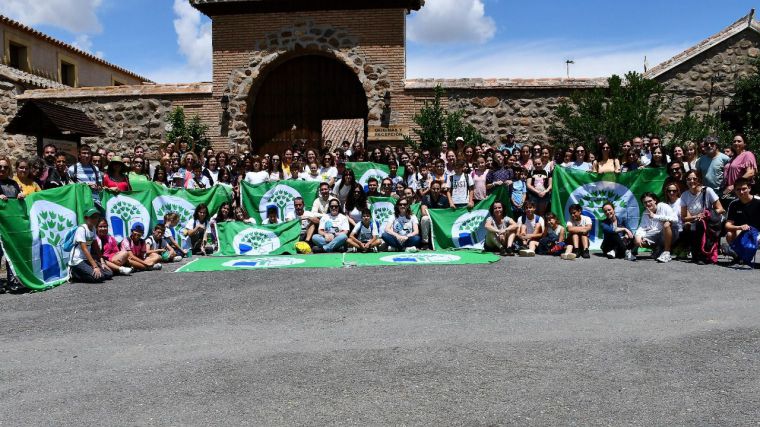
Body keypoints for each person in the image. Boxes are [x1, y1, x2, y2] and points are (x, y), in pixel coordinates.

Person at [680, 170, 724, 265]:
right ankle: (696, 252)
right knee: (692, 225)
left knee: (700, 224)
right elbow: (683, 217)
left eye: (694, 178)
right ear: (686, 181)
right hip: (695, 220)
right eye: (689, 179)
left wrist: (706, 214)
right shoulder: (684, 195)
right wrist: (696, 216)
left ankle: (703, 254)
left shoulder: (708, 191)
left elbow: (721, 209)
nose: (692, 181)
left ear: (699, 180)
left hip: (710, 221)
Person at [69, 207, 114, 283]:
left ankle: (84, 272)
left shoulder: (93, 228)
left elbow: (96, 247)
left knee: (109, 273)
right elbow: (84, 249)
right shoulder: (82, 229)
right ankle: (74, 273)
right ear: (86, 218)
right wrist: (95, 266)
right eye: (92, 217)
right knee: (99, 277)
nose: (95, 219)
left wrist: (102, 262)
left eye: (97, 217)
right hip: (77, 260)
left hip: (86, 259)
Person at [0, 156, 25, 292]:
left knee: (12, 253)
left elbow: (18, 200)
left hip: (11, 225)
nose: (2, 169)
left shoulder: (14, 183)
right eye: (0, 167)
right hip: (0, 226)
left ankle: (12, 281)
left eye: (5, 167)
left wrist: (21, 196)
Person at [634, 192, 678, 263]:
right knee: (638, 240)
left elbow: (675, 219)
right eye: (645, 202)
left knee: (666, 224)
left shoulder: (663, 206)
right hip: (657, 236)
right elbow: (642, 227)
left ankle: (667, 252)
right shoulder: (645, 213)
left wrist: (655, 216)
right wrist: (638, 236)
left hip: (672, 233)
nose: (648, 204)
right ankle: (658, 249)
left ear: (655, 200)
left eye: (650, 201)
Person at [724, 178, 760, 262]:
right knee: (730, 234)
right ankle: (739, 256)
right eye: (738, 189)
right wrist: (739, 227)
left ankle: (745, 255)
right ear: (735, 191)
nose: (741, 192)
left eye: (744, 189)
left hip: (758, 232)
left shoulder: (758, 201)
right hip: (741, 231)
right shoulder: (734, 204)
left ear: (749, 188)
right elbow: (727, 225)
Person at [723, 133, 756, 200]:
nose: (736, 143)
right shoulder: (733, 157)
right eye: (734, 141)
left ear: (745, 144)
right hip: (731, 192)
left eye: (739, 141)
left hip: (742, 191)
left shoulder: (747, 154)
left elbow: (750, 173)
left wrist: (734, 185)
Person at [420, 180, 449, 249]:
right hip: (430, 220)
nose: (435, 190)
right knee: (424, 219)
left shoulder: (444, 198)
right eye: (433, 189)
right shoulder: (425, 198)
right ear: (430, 189)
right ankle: (425, 243)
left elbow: (446, 213)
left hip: (440, 221)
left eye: (437, 189)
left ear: (440, 189)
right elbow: (424, 212)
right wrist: (434, 217)